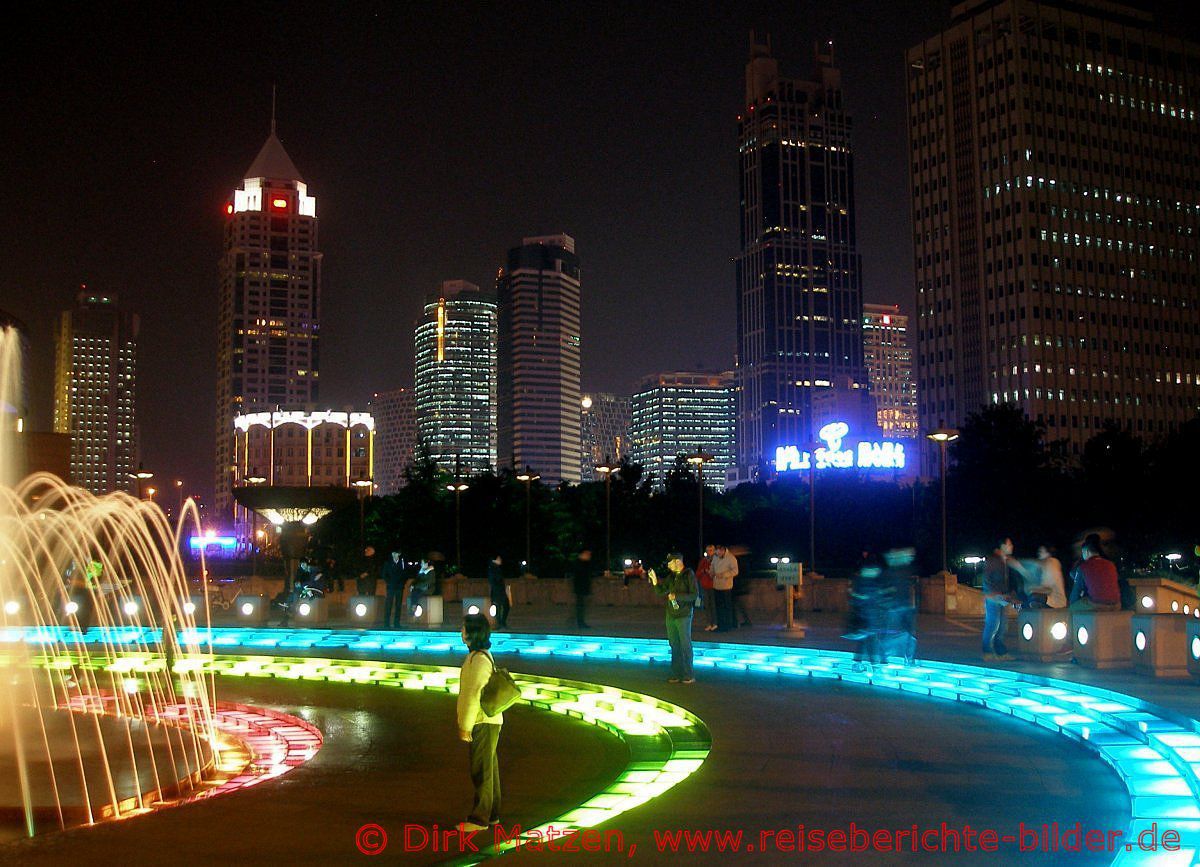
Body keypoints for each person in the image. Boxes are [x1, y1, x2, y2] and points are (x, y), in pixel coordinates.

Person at [456, 613, 504, 833]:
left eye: (464, 628)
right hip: (489, 720)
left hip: (482, 721)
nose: (461, 632)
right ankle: (491, 814)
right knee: (489, 769)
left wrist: (465, 726)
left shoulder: (478, 660)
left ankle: (480, 819)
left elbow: (472, 695)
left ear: (472, 633)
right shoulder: (481, 656)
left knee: (481, 770)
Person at [649, 553, 698, 683]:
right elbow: (661, 591)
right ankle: (676, 673)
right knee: (674, 644)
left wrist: (677, 596)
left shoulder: (688, 574)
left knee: (685, 644)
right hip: (671, 614)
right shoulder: (671, 577)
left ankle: (689, 674)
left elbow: (694, 595)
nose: (668, 565)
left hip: (684, 614)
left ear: (677, 561)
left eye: (670, 562)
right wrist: (655, 582)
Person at [981, 538, 1022, 660]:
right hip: (994, 597)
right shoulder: (994, 560)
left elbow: (1009, 581)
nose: (1011, 546)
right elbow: (987, 578)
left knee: (1003, 626)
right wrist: (992, 593)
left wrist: (1011, 595)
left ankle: (1000, 652)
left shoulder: (1006, 561)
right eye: (1009, 544)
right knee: (992, 624)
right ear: (1002, 546)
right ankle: (987, 651)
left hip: (1003, 597)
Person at [1069, 534, 1121, 610]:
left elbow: (1076, 591)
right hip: (1116, 604)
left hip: (1097, 604)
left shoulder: (1084, 566)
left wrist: (1071, 604)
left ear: (1086, 551)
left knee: (1072, 608)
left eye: (1082, 553)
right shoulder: (1110, 564)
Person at [710, 544, 738, 632]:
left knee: (726, 607)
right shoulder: (715, 557)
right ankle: (720, 624)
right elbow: (712, 566)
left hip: (726, 586)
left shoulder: (731, 558)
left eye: (718, 552)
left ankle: (728, 625)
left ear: (723, 550)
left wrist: (724, 575)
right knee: (718, 607)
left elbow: (735, 571)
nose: (717, 554)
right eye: (716, 552)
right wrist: (711, 572)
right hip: (716, 585)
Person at [381, 551, 406, 628]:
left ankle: (396, 623)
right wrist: (389, 582)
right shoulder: (388, 563)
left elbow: (405, 573)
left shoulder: (402, 563)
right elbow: (384, 574)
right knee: (388, 605)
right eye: (393, 554)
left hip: (399, 587)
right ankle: (386, 623)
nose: (395, 555)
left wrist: (402, 583)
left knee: (398, 605)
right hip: (391, 587)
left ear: (399, 554)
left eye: (396, 554)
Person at [695, 545, 717, 631]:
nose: (709, 552)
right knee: (707, 605)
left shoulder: (716, 560)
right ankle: (709, 623)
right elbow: (697, 573)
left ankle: (715, 623)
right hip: (705, 585)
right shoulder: (703, 561)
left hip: (714, 585)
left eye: (711, 550)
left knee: (713, 605)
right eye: (708, 550)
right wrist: (703, 571)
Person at [570, 550, 593, 628]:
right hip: (580, 588)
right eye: (587, 554)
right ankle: (579, 622)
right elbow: (581, 576)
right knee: (580, 606)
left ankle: (578, 621)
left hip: (582, 588)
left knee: (581, 606)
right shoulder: (580, 563)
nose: (589, 556)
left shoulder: (583, 563)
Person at [487, 554, 509, 629]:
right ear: (494, 560)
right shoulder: (493, 569)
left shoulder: (496, 568)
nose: (500, 560)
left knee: (504, 606)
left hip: (500, 592)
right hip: (497, 592)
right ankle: (500, 623)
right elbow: (493, 581)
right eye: (499, 559)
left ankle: (501, 622)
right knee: (499, 608)